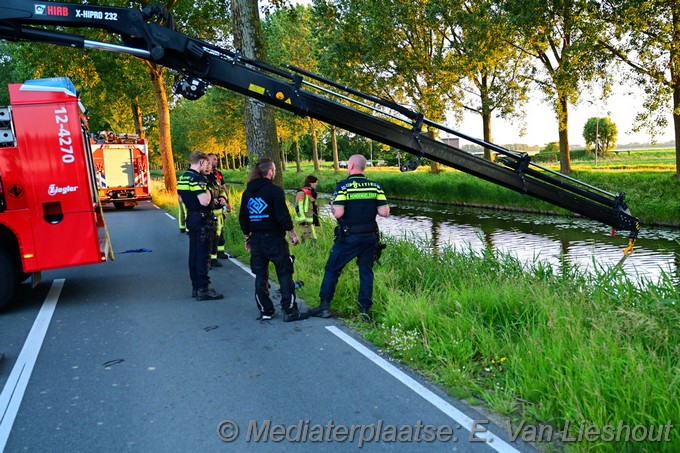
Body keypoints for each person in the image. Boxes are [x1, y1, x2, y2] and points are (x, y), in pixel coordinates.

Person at [306, 154, 389, 322]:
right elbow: (384, 212)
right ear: (363, 167)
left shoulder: (343, 186)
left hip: (348, 237)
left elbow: (339, 212)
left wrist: (332, 206)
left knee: (332, 269)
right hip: (369, 237)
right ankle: (364, 311)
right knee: (366, 272)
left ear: (350, 166)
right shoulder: (375, 187)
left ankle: (324, 306)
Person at [239, 157, 306, 322]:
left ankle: (265, 310)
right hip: (274, 239)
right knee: (284, 273)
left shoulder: (247, 193)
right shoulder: (275, 191)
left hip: (256, 240)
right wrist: (292, 232)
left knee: (260, 275)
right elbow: (282, 214)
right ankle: (289, 310)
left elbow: (243, 218)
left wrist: (247, 236)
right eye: (274, 169)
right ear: (270, 171)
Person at [177, 151, 227, 301]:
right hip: (202, 220)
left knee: (193, 254)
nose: (208, 166)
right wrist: (211, 194)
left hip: (192, 218)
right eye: (206, 163)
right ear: (200, 163)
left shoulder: (183, 177)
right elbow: (205, 201)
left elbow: (180, 198)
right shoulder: (197, 179)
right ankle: (203, 288)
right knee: (203, 255)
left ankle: (196, 287)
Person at [206, 153, 231, 267]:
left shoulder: (216, 177)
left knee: (218, 234)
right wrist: (210, 200)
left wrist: (224, 199)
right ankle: (209, 260)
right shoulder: (201, 179)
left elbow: (222, 190)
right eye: (212, 161)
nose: (214, 163)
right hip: (207, 214)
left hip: (218, 212)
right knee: (210, 237)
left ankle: (216, 256)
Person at [294, 175, 319, 242]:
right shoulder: (301, 192)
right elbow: (298, 207)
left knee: (313, 238)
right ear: (310, 183)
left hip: (310, 220)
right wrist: (302, 220)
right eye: (315, 182)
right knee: (306, 238)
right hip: (304, 221)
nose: (317, 184)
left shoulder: (312, 193)